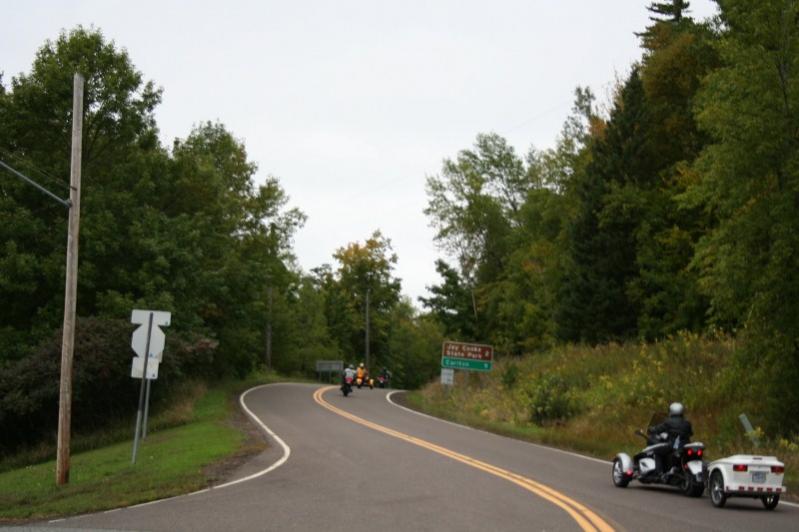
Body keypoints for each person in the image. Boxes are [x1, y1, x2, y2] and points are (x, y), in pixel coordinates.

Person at [648, 402, 693, 475]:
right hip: (685, 446)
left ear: (671, 411)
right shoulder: (687, 423)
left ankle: (660, 473)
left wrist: (651, 429)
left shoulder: (668, 422)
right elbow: (691, 433)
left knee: (657, 451)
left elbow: (658, 429)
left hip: (674, 445)